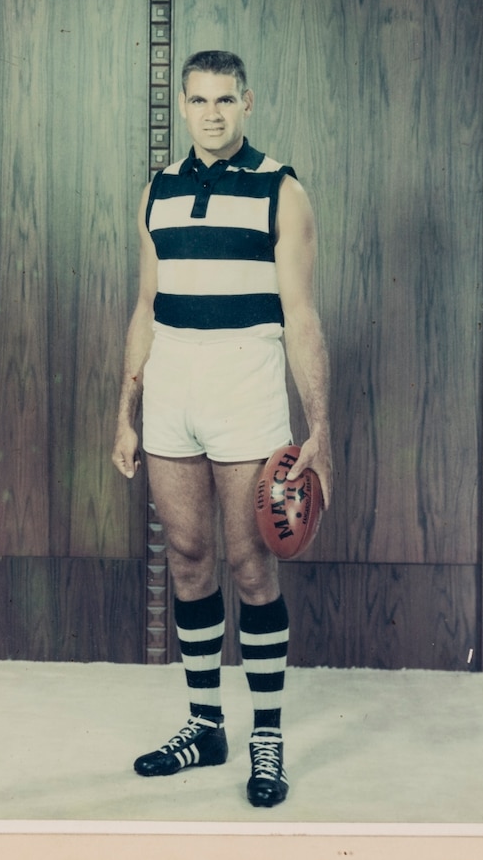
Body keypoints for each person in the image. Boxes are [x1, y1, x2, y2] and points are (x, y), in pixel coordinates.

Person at [111, 49, 332, 809]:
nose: (211, 112)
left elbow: (300, 314)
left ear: (248, 103)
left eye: (225, 100)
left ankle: (265, 735)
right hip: (173, 383)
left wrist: (320, 429)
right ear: (182, 103)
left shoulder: (282, 189)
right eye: (198, 99)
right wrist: (126, 407)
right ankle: (205, 724)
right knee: (190, 554)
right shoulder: (159, 190)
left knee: (250, 562)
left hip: (245, 385)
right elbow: (146, 304)